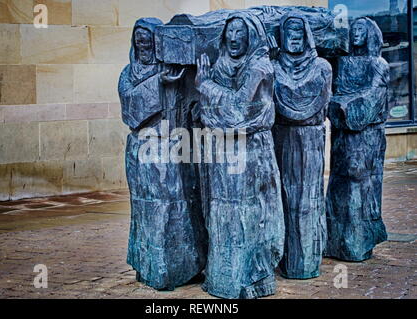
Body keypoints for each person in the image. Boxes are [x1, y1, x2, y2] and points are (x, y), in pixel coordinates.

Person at [194, 12, 285, 299]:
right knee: (223, 212)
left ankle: (250, 279)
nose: (234, 38)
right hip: (223, 151)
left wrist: (205, 86)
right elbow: (209, 114)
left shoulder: (260, 67)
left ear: (251, 35)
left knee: (250, 212)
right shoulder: (221, 64)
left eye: (240, 32)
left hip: (251, 152)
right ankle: (224, 277)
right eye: (229, 32)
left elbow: (238, 109)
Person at [118, 18, 207, 290]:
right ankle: (156, 267)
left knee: (186, 207)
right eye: (139, 39)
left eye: (149, 39)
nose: (143, 43)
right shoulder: (129, 73)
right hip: (146, 150)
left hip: (179, 147)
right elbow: (130, 111)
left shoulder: (179, 72)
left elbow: (195, 105)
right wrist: (159, 81)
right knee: (154, 211)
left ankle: (188, 265)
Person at [272, 14, 332, 279]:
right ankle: (283, 258)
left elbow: (319, 102)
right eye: (289, 30)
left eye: (299, 30)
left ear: (306, 34)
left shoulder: (322, 67)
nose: (294, 36)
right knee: (282, 197)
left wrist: (293, 109)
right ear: (281, 36)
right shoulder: (272, 66)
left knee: (307, 199)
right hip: (280, 137)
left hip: (310, 138)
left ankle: (305, 262)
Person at [326, 17, 389, 261]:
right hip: (342, 136)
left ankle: (357, 240)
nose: (356, 34)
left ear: (371, 33)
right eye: (353, 29)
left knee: (360, 184)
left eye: (362, 29)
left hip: (367, 136)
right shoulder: (341, 63)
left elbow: (371, 99)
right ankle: (335, 241)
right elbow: (330, 95)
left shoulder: (378, 64)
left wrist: (342, 106)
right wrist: (341, 106)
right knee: (339, 183)